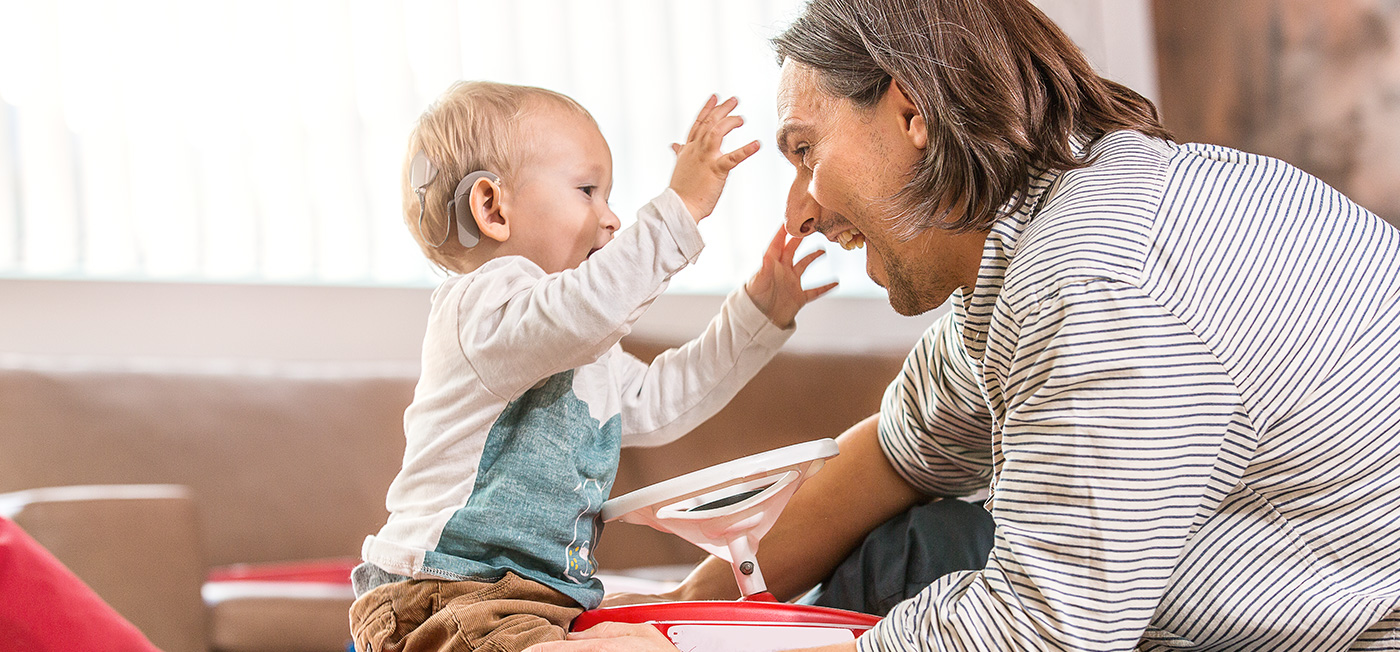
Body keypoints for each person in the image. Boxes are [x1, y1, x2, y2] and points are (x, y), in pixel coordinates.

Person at [524, 0, 1400, 651]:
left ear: (912, 114)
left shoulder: (1098, 278)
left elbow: (1036, 635)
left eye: (805, 150)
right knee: (925, 537)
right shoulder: (1043, 234)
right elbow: (893, 454)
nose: (797, 213)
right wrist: (673, 616)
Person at [348, 81, 837, 652]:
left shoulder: (579, 344)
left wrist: (757, 315)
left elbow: (662, 398)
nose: (611, 220)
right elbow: (587, 309)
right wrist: (676, 211)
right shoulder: (482, 308)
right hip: (444, 595)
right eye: (587, 191)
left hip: (529, 606)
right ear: (492, 207)